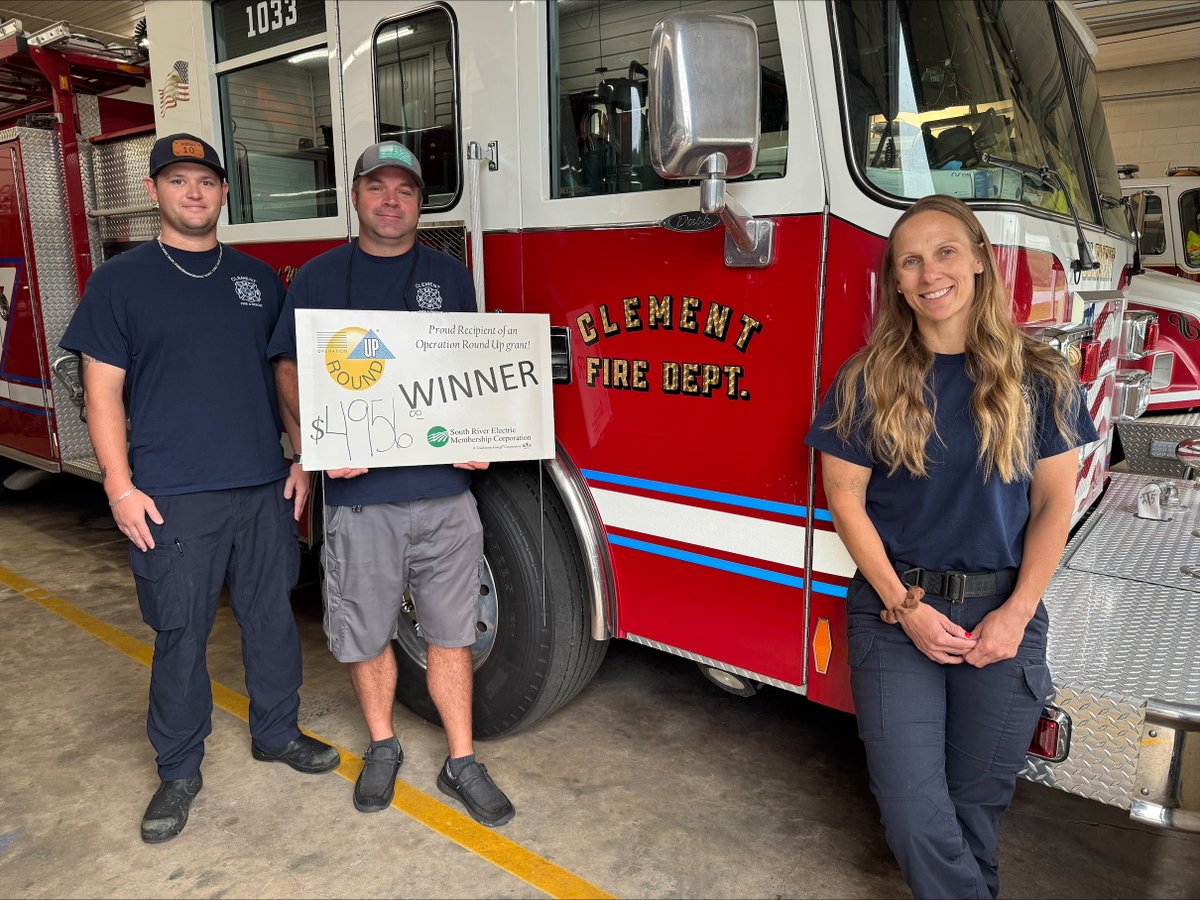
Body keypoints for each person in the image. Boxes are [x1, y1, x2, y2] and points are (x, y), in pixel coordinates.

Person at [805, 194, 1097, 899]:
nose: (928, 271)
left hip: (1003, 617)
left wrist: (1018, 611)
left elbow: (1057, 501)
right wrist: (905, 606)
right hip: (896, 615)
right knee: (912, 814)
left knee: (975, 814)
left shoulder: (1043, 379)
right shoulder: (864, 380)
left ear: (977, 263)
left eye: (943, 252)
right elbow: (845, 498)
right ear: (897, 283)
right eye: (910, 260)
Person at [60, 133, 340, 845]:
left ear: (223, 194)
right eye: (179, 180)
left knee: (272, 619)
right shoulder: (119, 283)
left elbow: (281, 373)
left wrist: (302, 457)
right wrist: (120, 488)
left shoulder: (255, 278)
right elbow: (101, 394)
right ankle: (179, 769)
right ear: (154, 191)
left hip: (263, 487)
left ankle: (276, 732)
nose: (194, 193)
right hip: (173, 496)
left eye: (207, 181)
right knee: (181, 632)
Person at [267, 141, 515, 827]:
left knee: (452, 631)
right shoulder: (317, 278)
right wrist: (314, 443)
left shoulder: (449, 277)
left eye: (404, 190)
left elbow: (476, 364)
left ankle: (461, 759)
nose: (390, 201)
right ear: (356, 197)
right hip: (360, 499)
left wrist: (477, 434)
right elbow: (287, 367)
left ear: (419, 203)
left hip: (445, 495)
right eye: (377, 188)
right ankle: (383, 745)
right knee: (367, 631)